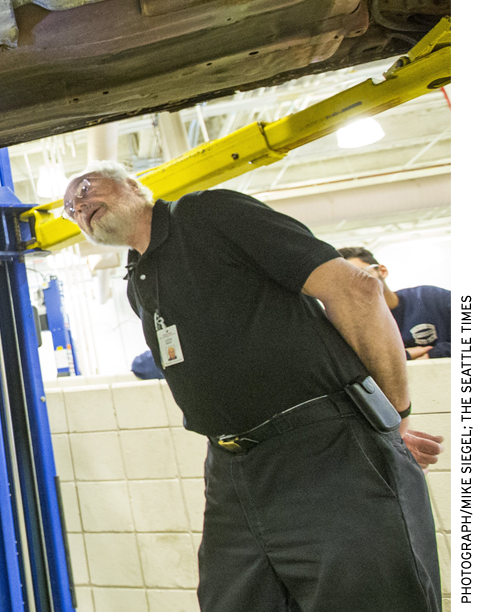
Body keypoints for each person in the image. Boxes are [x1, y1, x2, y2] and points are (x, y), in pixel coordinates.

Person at [63, 162, 443, 612]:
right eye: (70, 208)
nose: (79, 204)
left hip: (326, 449)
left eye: (85, 188)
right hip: (231, 470)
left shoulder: (207, 214)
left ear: (133, 185)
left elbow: (356, 288)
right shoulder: (139, 281)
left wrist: (392, 420)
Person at [338, 246, 451, 359]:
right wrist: (406, 356)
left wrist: (434, 354)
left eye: (360, 274)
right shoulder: (352, 327)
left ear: (382, 271)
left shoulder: (429, 297)